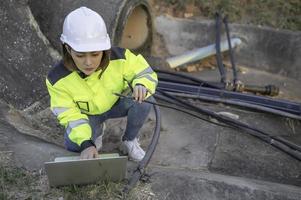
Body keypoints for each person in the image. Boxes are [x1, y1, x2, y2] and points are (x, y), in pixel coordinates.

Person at [46, 7, 157, 162]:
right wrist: (86, 143)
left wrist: (141, 84)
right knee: (73, 145)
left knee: (147, 99)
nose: (88, 62)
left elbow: (143, 71)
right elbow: (69, 115)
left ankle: (129, 141)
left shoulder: (120, 57)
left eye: (95, 54)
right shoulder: (57, 79)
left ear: (104, 48)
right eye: (80, 55)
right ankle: (95, 133)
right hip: (88, 114)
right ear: (67, 48)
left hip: (116, 104)